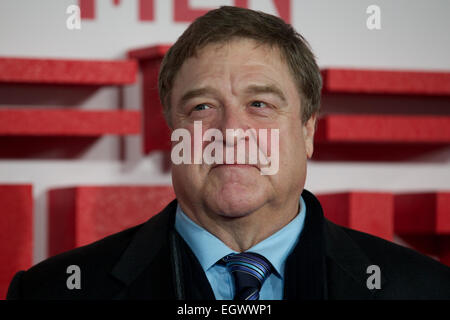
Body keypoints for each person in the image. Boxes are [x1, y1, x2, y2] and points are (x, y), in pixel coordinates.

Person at [7, 6, 450, 300]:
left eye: (260, 104)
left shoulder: (425, 290)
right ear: (172, 133)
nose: (232, 132)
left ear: (307, 130)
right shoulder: (52, 292)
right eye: (202, 107)